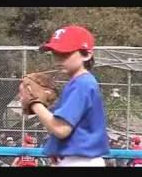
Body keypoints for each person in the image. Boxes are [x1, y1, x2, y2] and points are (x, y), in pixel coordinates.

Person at [19, 25, 110, 167]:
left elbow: (61, 129)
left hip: (81, 162)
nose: (59, 59)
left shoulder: (82, 84)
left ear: (86, 54)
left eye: (65, 53)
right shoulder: (78, 83)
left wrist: (35, 103)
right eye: (56, 53)